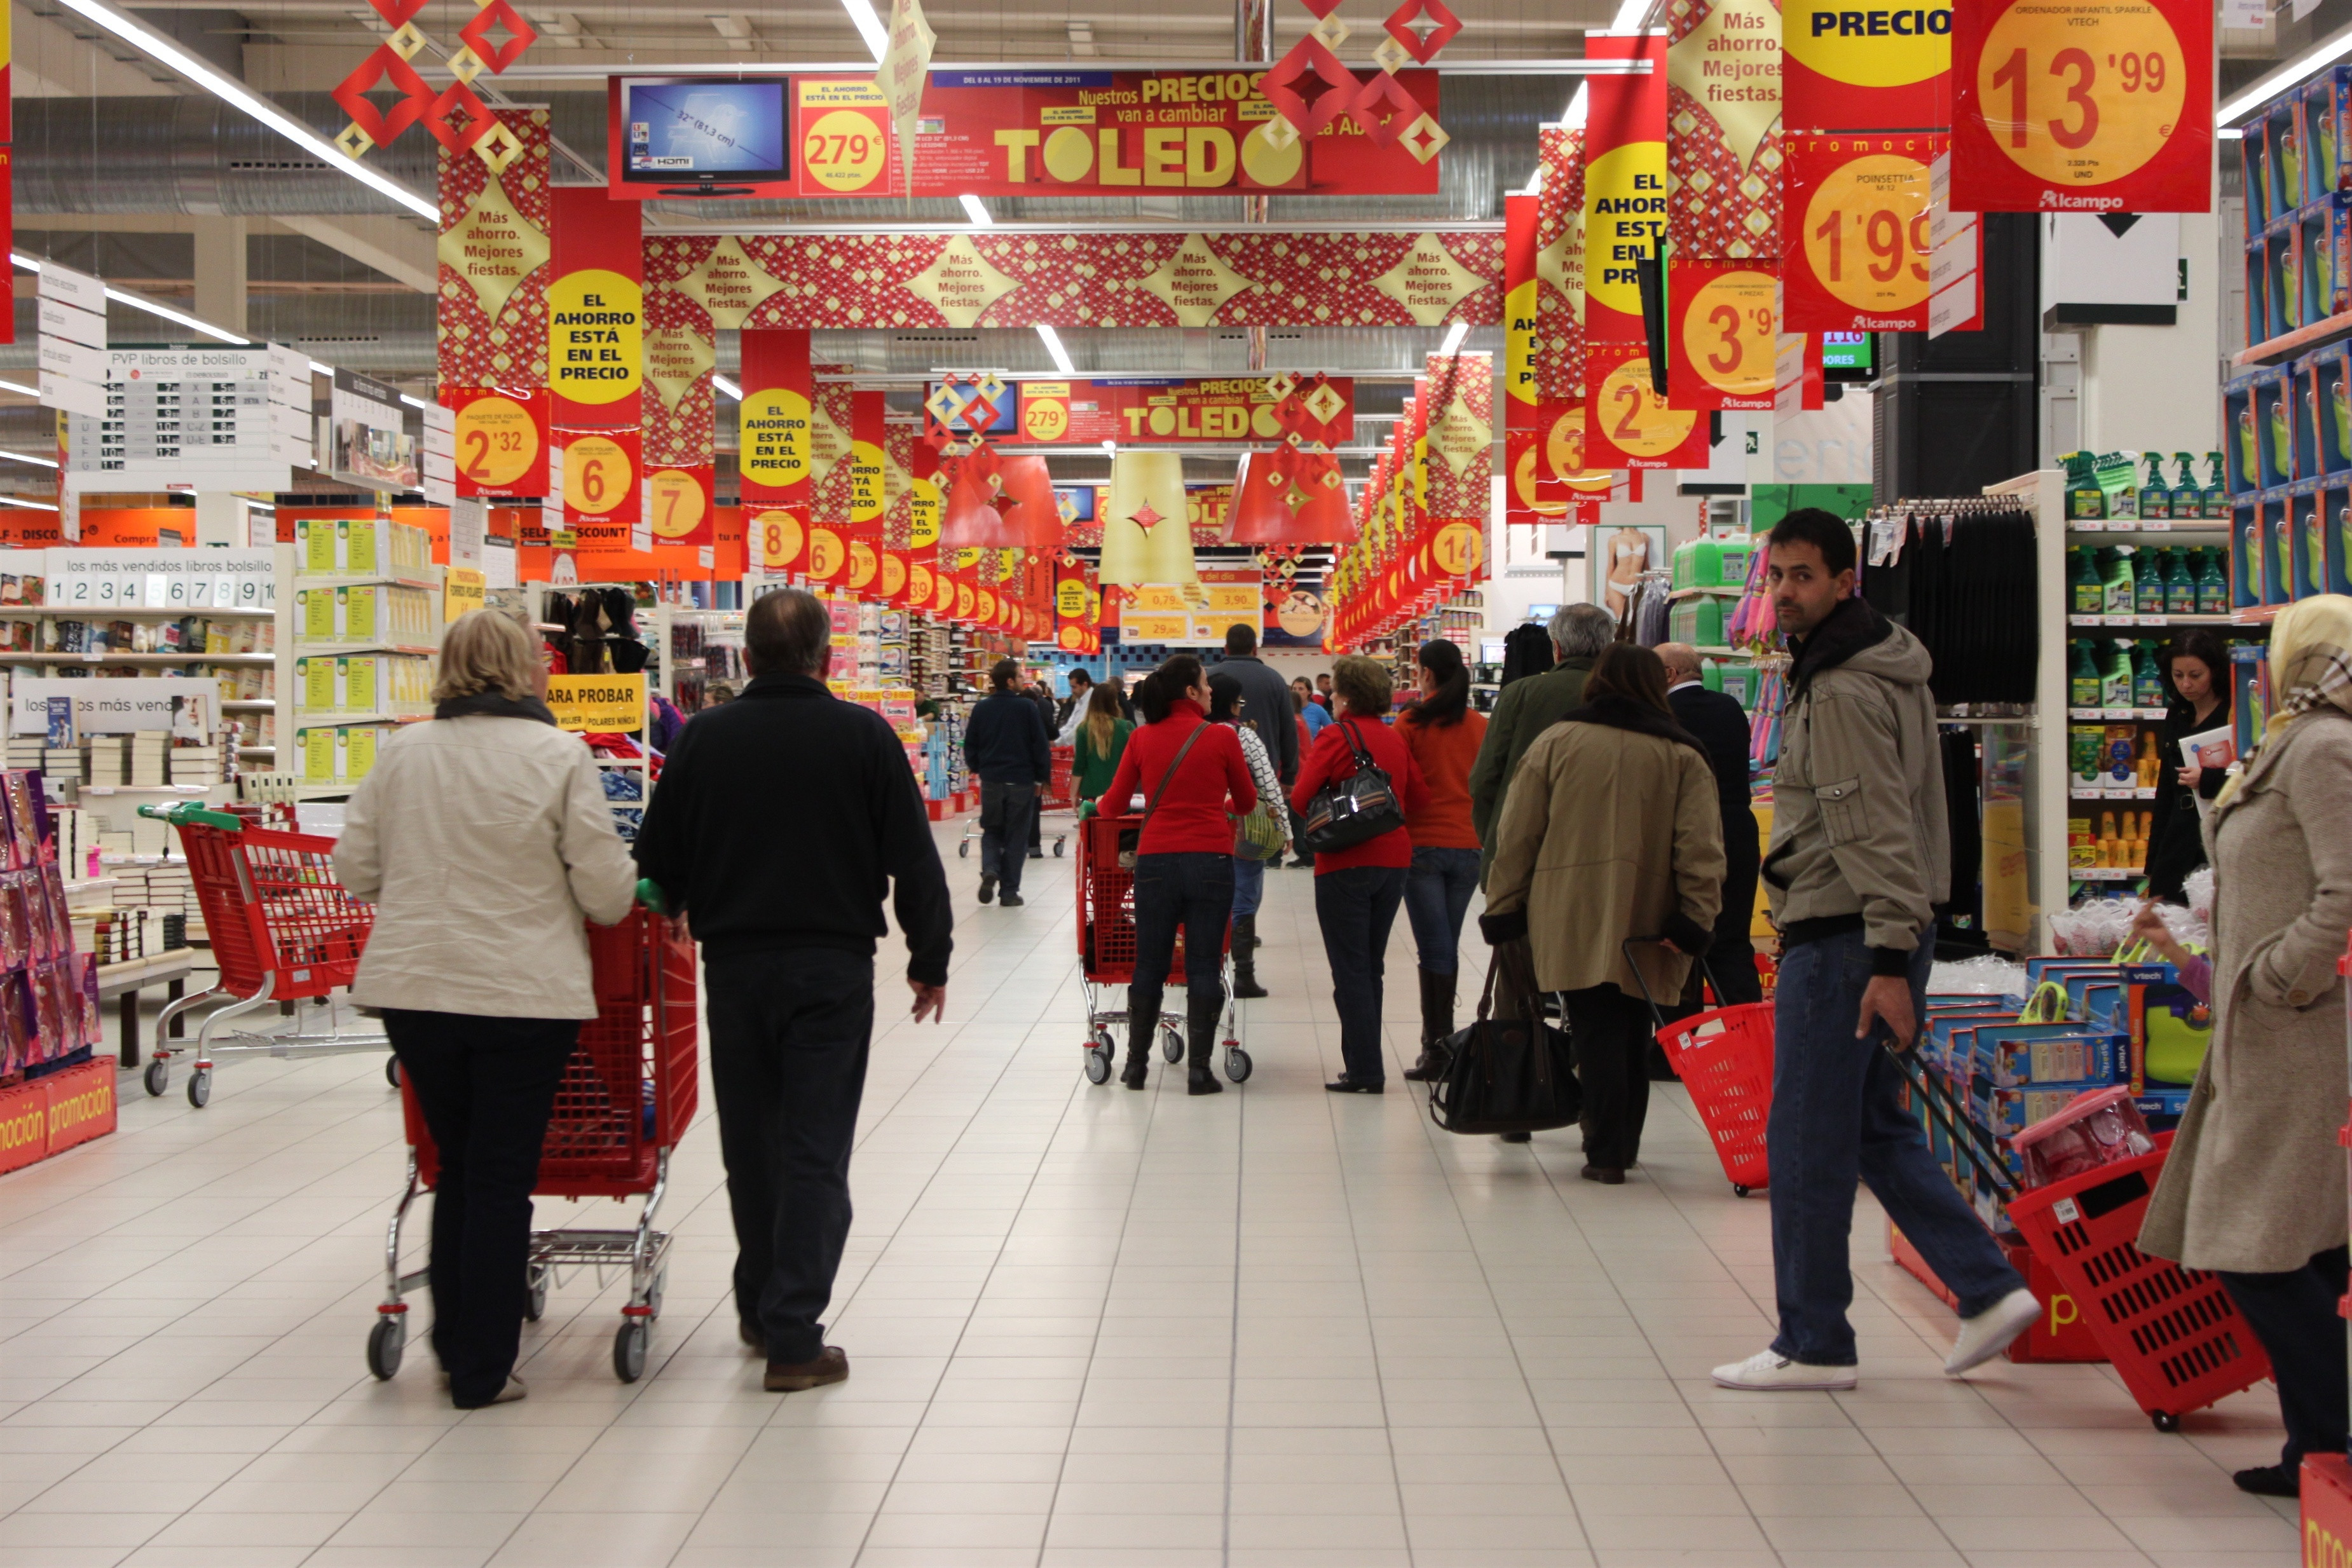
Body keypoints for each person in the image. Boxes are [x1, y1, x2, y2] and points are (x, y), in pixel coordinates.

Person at [1714, 508, 2037, 1393]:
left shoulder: (1848, 684)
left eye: (1803, 575)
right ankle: (1988, 1285)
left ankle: (1814, 1338)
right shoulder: (1870, 662)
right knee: (1872, 1124)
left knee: (1808, 1137)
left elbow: (1874, 825)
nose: (1783, 592)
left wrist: (1891, 957)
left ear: (1845, 579)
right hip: (1872, 927)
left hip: (1850, 934)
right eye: (1775, 575)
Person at [634, 589, 952, 1393]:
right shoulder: (863, 737)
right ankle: (793, 1334)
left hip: (735, 968)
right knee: (814, 1148)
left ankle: (759, 1305)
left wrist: (667, 907)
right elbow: (912, 857)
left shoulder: (703, 739)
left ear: (746, 658)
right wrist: (929, 958)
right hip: (831, 970)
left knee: (752, 1143)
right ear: (826, 658)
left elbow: (656, 859)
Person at [335, 610, 639, 1409]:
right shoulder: (556, 755)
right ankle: (480, 1366)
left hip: (416, 991)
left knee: (458, 1165)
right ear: (528, 670)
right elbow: (607, 895)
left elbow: (354, 866)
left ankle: (455, 1343)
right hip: (521, 994)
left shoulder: (403, 752)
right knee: (503, 1174)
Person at [2134, 594, 2352, 1497]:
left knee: (2256, 1242)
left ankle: (2332, 1435)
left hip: (2299, 1033)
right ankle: (2319, 1446)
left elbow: (2344, 892)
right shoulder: (2294, 736)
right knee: (2309, 1243)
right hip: (2266, 1034)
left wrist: (2275, 976)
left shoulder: (2328, 746)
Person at [1480, 644, 1723, 1180]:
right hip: (1649, 915)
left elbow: (1517, 834)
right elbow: (1701, 848)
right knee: (1634, 1022)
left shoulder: (1557, 743)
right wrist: (1696, 916)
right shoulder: (1682, 754)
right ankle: (1618, 1143)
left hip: (1568, 909)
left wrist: (1504, 904)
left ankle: (1607, 1147)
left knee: (1592, 1022)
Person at [1093, 654, 1258, 1094]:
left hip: (1156, 862)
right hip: (1211, 862)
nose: (1210, 691)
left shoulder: (1143, 738)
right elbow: (1244, 802)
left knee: (1150, 962)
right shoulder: (1223, 737)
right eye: (1205, 684)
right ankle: (1200, 1071)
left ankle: (1135, 1068)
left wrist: (1098, 805)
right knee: (1204, 963)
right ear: (1190, 691)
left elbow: (1111, 806)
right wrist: (1213, 808)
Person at [1291, 655, 1428, 1093]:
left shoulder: (1336, 735)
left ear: (1346, 696)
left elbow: (1300, 798)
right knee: (1371, 966)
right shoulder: (1393, 738)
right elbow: (1419, 798)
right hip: (1394, 862)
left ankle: (1366, 1069)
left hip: (1343, 863)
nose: (1329, 698)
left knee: (1350, 968)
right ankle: (1362, 1063)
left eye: (1333, 692)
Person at [1467, 603, 1617, 883]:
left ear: (1556, 648)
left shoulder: (1520, 694)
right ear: (1609, 647)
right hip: (1604, 855)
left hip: (1524, 851)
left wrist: (1497, 837)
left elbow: (1485, 779)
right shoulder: (1627, 696)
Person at [1396, 639, 1488, 1082]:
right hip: (1469, 844)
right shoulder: (1480, 725)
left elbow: (1396, 783)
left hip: (1422, 846)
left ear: (1427, 674)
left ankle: (1437, 1049)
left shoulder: (1410, 722)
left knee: (1435, 947)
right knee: (1446, 943)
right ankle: (1444, 1045)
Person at [1658, 643, 1765, 1019]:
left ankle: (1673, 1047)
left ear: (1669, 675)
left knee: (1680, 940)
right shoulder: (1730, 707)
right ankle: (1751, 1035)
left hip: (1690, 833)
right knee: (1733, 941)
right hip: (1739, 828)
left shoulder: (1663, 715)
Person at [1206, 671, 1286, 1001]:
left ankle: (1203, 971)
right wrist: (1284, 826)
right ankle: (1243, 975)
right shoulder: (1246, 737)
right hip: (1245, 827)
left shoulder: (1197, 733)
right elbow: (1268, 783)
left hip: (1205, 828)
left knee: (1206, 902)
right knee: (1244, 900)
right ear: (1232, 704)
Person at [2145, 629, 2232, 901]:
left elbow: (2259, 776)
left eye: (2196, 675)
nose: (2186, 685)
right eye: (2178, 675)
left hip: (2222, 835)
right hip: (2179, 836)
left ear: (2215, 671)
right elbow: (2166, 791)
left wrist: (2208, 780)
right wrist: (2154, 859)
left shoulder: (2235, 712)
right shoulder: (2177, 714)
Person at [963, 657, 1051, 906]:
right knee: (1016, 837)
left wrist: (979, 768)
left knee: (992, 830)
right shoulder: (1027, 708)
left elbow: (971, 744)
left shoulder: (982, 708)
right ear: (1010, 681)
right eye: (1021, 677)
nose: (1024, 681)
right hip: (1020, 782)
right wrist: (1041, 778)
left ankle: (991, 868)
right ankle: (1009, 892)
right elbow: (1040, 746)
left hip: (992, 780)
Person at [1212, 622, 1299, 795]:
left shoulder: (1209, 679)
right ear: (1255, 648)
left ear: (1226, 649)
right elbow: (1288, 730)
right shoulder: (1275, 680)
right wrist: (1289, 776)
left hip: (1216, 775)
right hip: (1263, 776)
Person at [1071, 680, 1132, 808]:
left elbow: (1079, 765)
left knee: (1092, 828)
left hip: (1091, 793)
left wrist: (1073, 794)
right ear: (1115, 702)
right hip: (1121, 792)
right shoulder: (1127, 727)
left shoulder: (1084, 729)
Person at [1292, 676, 1334, 740]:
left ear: (1309, 691)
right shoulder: (1286, 709)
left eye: (1301, 689)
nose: (1297, 692)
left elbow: (1331, 731)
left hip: (1312, 748)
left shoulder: (1318, 710)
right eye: (1294, 689)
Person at [1056, 667, 1095, 735]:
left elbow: (1078, 730)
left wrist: (1056, 742)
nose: (1072, 691)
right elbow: (1070, 725)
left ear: (1085, 685)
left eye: (1074, 687)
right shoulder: (1079, 700)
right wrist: (1056, 735)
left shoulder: (1093, 700)